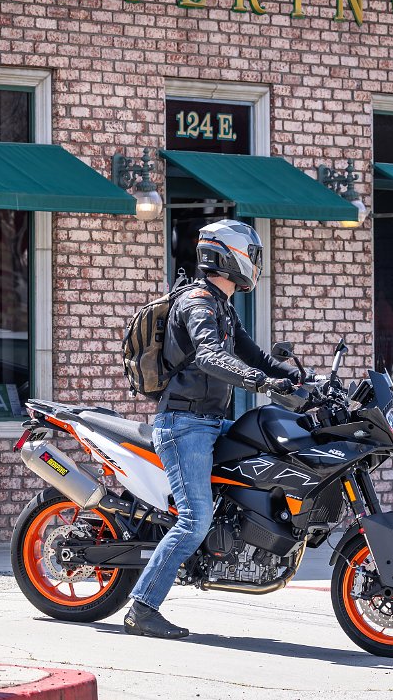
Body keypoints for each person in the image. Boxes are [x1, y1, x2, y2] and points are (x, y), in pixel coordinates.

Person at [123, 219, 302, 640]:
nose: (255, 263)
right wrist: (262, 384)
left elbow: (257, 356)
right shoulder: (197, 304)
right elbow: (208, 356)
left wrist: (298, 381)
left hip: (210, 422)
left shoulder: (223, 306)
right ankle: (142, 609)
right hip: (184, 426)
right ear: (227, 256)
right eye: (251, 255)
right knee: (194, 518)